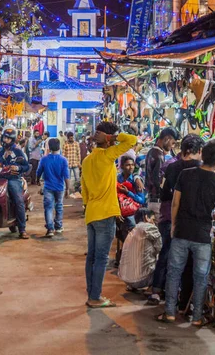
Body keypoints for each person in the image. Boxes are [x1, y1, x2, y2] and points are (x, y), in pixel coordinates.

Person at [158, 140, 215, 326]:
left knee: (174, 273)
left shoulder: (185, 175)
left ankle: (170, 313)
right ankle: (197, 317)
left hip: (181, 231)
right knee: (200, 276)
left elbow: (175, 203)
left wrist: (173, 225)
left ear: (202, 155)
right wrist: (209, 212)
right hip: (202, 236)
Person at [82, 122, 137, 307]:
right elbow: (132, 140)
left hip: (91, 212)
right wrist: (112, 137)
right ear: (107, 140)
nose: (114, 143)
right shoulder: (107, 156)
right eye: (111, 139)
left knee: (92, 257)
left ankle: (92, 295)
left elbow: (85, 193)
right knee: (101, 258)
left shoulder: (88, 160)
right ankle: (95, 297)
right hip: (105, 215)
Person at [148, 134, 205, 306]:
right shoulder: (200, 170)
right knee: (185, 262)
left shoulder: (170, 166)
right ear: (199, 151)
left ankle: (158, 291)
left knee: (166, 255)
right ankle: (182, 302)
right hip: (188, 221)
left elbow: (164, 192)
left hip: (167, 216)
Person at [0, 126, 31, 239]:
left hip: (13, 179)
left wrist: (17, 168)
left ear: (12, 140)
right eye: (4, 138)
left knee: (18, 200)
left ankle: (22, 229)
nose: (5, 140)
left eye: (8, 138)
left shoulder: (18, 151)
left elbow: (26, 166)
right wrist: (2, 158)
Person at [118, 208, 162, 291]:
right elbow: (160, 249)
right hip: (142, 280)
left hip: (126, 279)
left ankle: (131, 286)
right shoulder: (150, 227)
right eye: (153, 219)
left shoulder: (132, 231)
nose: (154, 222)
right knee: (164, 260)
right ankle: (154, 290)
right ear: (146, 217)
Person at [37, 138, 70, 237]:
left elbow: (38, 172)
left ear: (49, 147)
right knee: (59, 206)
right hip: (60, 187)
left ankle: (50, 229)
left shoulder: (44, 159)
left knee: (48, 208)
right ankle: (59, 227)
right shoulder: (63, 160)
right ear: (59, 147)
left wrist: (38, 180)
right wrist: (67, 189)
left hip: (48, 187)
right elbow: (66, 176)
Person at [145, 127, 179, 221]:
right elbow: (158, 180)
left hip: (151, 199)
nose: (172, 146)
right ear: (167, 139)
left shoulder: (151, 151)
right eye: (172, 143)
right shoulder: (159, 155)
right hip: (157, 201)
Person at [117, 156, 146, 230]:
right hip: (118, 210)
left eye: (132, 165)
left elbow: (141, 200)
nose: (131, 167)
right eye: (128, 165)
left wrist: (128, 193)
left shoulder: (136, 180)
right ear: (122, 166)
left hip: (132, 211)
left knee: (131, 222)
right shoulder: (117, 179)